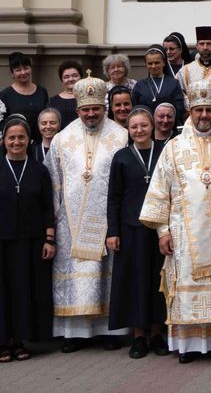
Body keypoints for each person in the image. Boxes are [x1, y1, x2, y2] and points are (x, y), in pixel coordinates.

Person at [139, 77, 211, 362]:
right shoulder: (173, 147)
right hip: (184, 234)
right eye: (199, 111)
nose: (204, 116)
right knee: (187, 288)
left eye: (209, 110)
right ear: (190, 112)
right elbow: (160, 191)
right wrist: (162, 231)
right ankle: (187, 347)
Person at [47, 73, 129, 350]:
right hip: (68, 222)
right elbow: (53, 180)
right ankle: (74, 333)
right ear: (77, 109)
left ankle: (111, 331)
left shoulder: (121, 135)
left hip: (107, 220)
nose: (91, 113)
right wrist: (54, 221)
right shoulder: (62, 138)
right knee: (76, 278)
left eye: (96, 108)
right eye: (85, 109)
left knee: (106, 276)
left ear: (104, 108)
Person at [105, 107, 167, 357]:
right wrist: (113, 231)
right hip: (131, 230)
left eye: (144, 125)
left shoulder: (164, 152)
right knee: (134, 282)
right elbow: (114, 198)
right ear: (128, 131)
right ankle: (138, 336)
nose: (139, 130)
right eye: (134, 127)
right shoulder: (121, 157)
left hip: (159, 228)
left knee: (157, 281)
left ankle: (156, 333)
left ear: (152, 127)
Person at [0, 115, 55, 362]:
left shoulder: (38, 170)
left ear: (28, 139)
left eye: (21, 137)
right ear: (3, 140)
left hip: (31, 242)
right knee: (3, 293)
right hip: (2, 241)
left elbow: (48, 207)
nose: (16, 142)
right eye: (11, 137)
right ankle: (3, 342)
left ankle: (21, 340)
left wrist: (49, 239)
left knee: (25, 291)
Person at [177, 26, 211, 108]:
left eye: (209, 44)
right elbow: (180, 94)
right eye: (202, 44)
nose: (205, 47)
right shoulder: (185, 70)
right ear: (197, 46)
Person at [132, 45, 186, 125]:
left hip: (168, 125)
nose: (153, 66)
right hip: (146, 126)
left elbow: (179, 108)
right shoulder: (139, 85)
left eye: (157, 62)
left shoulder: (174, 83)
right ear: (146, 65)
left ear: (164, 63)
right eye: (150, 63)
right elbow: (135, 108)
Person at [1, 53, 50, 125]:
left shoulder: (42, 91)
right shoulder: (4, 95)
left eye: (26, 68)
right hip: (18, 135)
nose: (23, 72)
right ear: (12, 73)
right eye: (18, 70)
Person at [48, 60, 82, 127]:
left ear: (81, 77)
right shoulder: (53, 101)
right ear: (62, 80)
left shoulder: (88, 97)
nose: (71, 79)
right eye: (66, 77)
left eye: (75, 75)